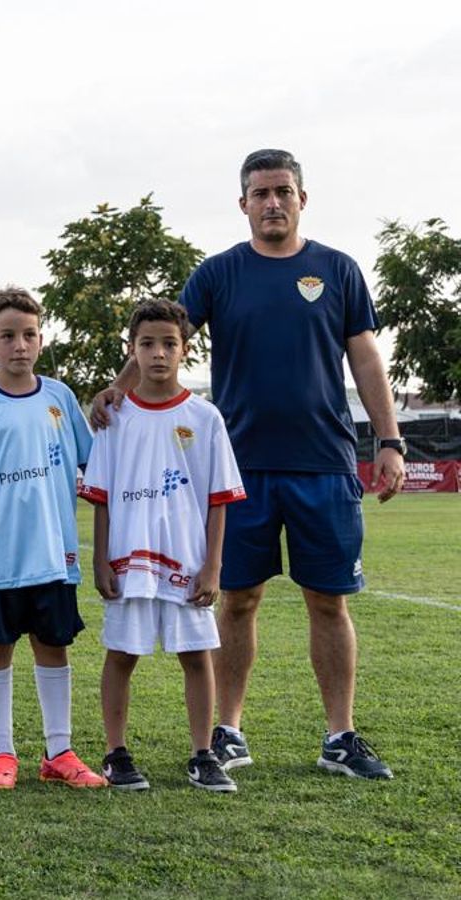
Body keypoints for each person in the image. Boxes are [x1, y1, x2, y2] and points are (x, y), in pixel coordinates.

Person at [89, 149, 403, 780]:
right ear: (243, 204)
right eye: (260, 193)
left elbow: (366, 358)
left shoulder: (337, 270)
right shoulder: (219, 274)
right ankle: (227, 731)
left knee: (329, 602)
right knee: (237, 601)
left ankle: (339, 736)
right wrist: (117, 390)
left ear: (302, 199)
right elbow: (164, 332)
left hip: (323, 462)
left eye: (283, 191)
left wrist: (390, 440)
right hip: (240, 466)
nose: (273, 202)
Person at [0, 287, 106, 790]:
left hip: (54, 552)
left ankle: (59, 752)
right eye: (8, 335)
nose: (20, 345)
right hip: (0, 553)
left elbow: (93, 460)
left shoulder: (59, 397)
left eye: (29, 335)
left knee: (53, 645)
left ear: (41, 339)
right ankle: (2, 754)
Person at [81, 301, 246, 792]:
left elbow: (218, 499)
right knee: (121, 654)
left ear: (185, 350)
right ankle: (116, 754)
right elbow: (101, 497)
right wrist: (100, 559)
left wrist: (213, 566)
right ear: (131, 350)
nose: (158, 353)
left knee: (196, 655)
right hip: (129, 562)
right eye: (147, 344)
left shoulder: (205, 416)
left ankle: (203, 755)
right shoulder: (114, 417)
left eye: (169, 344)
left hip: (187, 562)